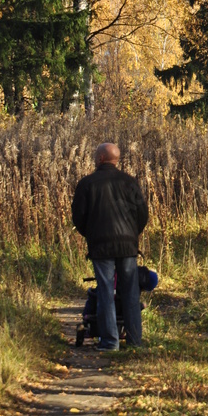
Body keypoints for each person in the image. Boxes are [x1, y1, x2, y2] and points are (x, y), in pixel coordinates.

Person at [72, 142, 149, 350]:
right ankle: (134, 341)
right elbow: (142, 214)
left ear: (100, 159)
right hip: (127, 246)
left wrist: (91, 234)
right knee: (130, 292)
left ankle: (109, 342)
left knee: (105, 290)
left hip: (100, 246)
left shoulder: (87, 184)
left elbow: (78, 217)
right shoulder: (130, 182)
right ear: (117, 160)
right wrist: (132, 234)